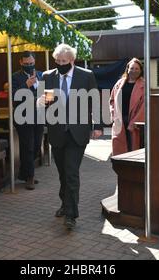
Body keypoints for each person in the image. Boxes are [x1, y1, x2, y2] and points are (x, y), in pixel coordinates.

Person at [38, 43, 103, 230]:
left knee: (71, 173)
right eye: (57, 61)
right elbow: (45, 102)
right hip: (57, 133)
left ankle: (71, 215)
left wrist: (97, 126)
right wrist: (40, 102)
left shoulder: (86, 75)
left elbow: (95, 101)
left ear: (72, 60)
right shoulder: (48, 76)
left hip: (77, 133)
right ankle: (65, 204)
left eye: (63, 61)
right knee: (63, 174)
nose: (60, 64)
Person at [12, 51, 44, 190]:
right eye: (26, 64)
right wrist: (26, 85)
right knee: (28, 147)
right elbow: (13, 97)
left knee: (36, 145)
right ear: (21, 63)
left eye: (31, 63)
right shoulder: (15, 77)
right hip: (22, 117)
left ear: (34, 62)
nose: (29, 66)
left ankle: (23, 173)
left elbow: (47, 93)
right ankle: (29, 177)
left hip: (38, 116)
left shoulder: (41, 75)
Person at [109, 58, 144, 155]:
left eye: (137, 69)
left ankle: (132, 166)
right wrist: (113, 115)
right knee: (120, 147)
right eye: (132, 68)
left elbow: (144, 107)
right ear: (127, 69)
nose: (134, 71)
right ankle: (121, 166)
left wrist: (135, 122)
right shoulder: (119, 83)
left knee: (133, 146)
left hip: (134, 120)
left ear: (141, 70)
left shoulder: (144, 85)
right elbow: (112, 100)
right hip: (119, 119)